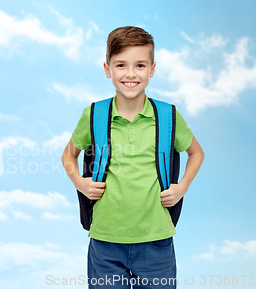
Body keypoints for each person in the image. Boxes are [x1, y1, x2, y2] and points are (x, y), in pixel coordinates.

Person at [61, 26, 205, 288]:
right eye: (120, 65)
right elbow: (68, 155)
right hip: (105, 241)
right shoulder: (94, 115)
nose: (130, 74)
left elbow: (196, 152)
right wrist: (81, 184)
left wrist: (181, 187)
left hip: (156, 241)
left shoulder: (168, 116)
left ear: (152, 69)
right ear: (108, 70)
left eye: (139, 65)